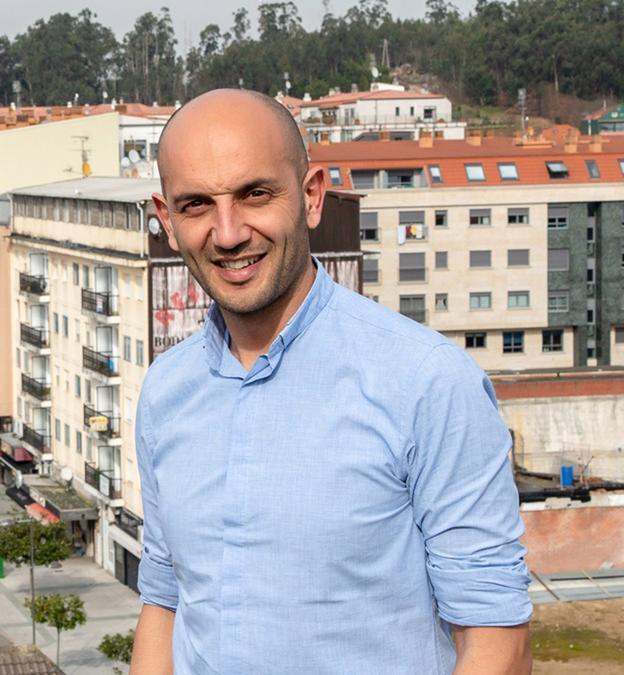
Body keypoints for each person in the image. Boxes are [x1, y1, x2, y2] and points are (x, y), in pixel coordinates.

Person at [132, 90, 531, 674]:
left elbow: (498, 641)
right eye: (196, 205)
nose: (228, 232)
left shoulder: (426, 383)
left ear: (312, 197)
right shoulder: (166, 392)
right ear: (167, 221)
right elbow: (164, 603)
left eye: (255, 194)